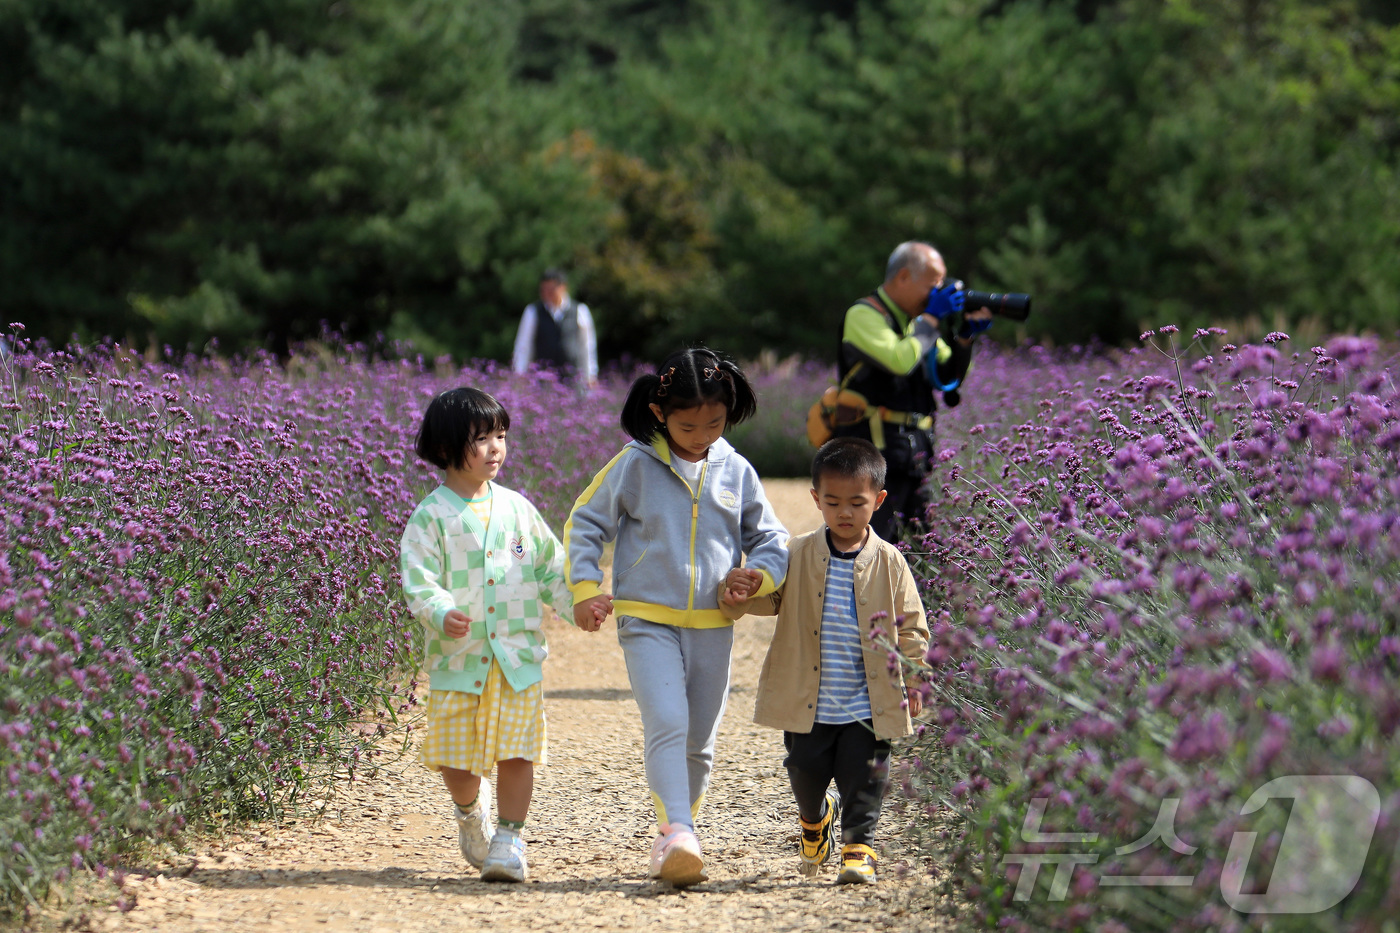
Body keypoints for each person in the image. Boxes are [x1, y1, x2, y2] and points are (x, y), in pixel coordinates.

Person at [564, 347, 790, 886]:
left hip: (714, 624)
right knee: (667, 720)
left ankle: (677, 831)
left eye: (715, 423)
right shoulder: (634, 464)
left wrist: (760, 575)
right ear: (660, 413)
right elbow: (585, 521)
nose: (702, 434)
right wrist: (584, 587)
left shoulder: (736, 468)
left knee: (700, 740)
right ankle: (679, 832)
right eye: (689, 424)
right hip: (646, 618)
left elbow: (771, 538)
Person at [400, 387, 595, 883]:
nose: (495, 448)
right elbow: (418, 579)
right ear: (445, 449)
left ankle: (509, 838)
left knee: (517, 751)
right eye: (481, 438)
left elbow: (552, 569)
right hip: (459, 660)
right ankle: (471, 815)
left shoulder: (517, 509)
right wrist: (441, 612)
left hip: (515, 657)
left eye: (500, 436)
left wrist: (580, 605)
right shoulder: (432, 516)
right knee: (454, 758)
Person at [720, 437, 930, 884]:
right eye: (833, 502)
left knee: (866, 776)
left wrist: (913, 676)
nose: (845, 513)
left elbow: (911, 625)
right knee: (804, 771)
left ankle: (859, 847)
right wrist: (741, 594)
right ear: (816, 499)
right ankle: (815, 822)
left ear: (879, 501)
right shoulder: (796, 553)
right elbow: (769, 598)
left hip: (867, 699)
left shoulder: (890, 562)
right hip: (809, 699)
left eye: (857, 502)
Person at [833, 241, 993, 540]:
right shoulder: (865, 315)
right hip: (873, 459)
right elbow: (899, 360)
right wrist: (931, 319)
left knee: (925, 548)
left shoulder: (916, 325)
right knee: (875, 545)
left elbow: (948, 377)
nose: (938, 293)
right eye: (933, 284)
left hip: (915, 454)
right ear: (904, 277)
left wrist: (964, 340)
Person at [511, 268, 598, 387]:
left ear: (563, 287)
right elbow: (524, 344)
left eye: (550, 290)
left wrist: (590, 374)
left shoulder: (580, 310)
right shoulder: (533, 311)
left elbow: (587, 346)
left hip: (573, 378)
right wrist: (520, 373)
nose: (546, 293)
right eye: (543, 290)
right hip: (542, 380)